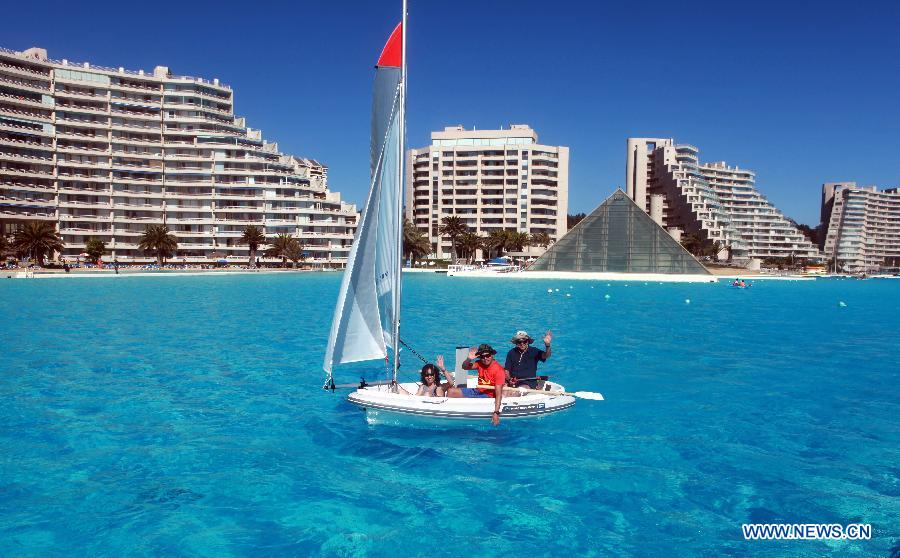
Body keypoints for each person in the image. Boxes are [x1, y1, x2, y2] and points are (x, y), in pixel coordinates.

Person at [445, 344, 509, 425]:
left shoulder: (499, 370)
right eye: (482, 357)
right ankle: (449, 416)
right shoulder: (479, 363)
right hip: (477, 391)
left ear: (492, 355)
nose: (485, 358)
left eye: (488, 355)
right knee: (451, 391)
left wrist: (496, 413)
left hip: (488, 395)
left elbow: (498, 394)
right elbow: (464, 367)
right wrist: (469, 359)